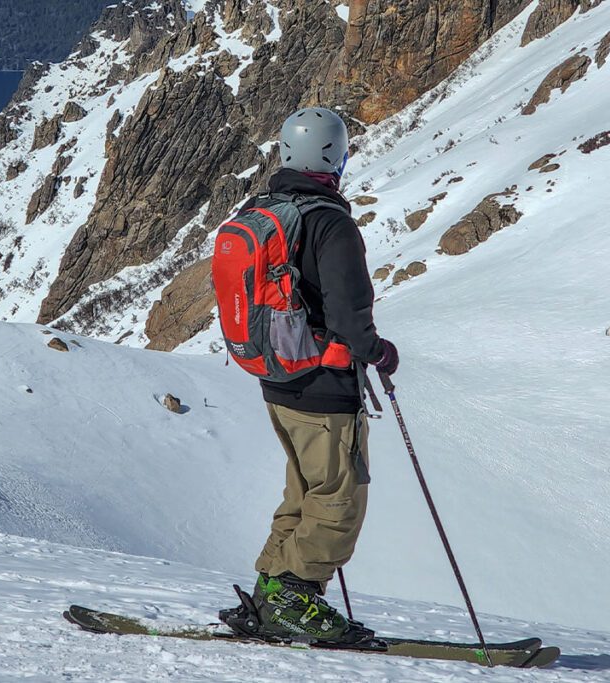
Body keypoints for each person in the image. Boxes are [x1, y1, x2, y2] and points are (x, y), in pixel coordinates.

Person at [225, 107, 399, 644]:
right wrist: (380, 352)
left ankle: (271, 592)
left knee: (304, 490)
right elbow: (350, 313)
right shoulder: (329, 222)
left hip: (277, 379)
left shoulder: (263, 208)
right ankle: (292, 599)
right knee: (338, 498)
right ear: (334, 156)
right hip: (324, 385)